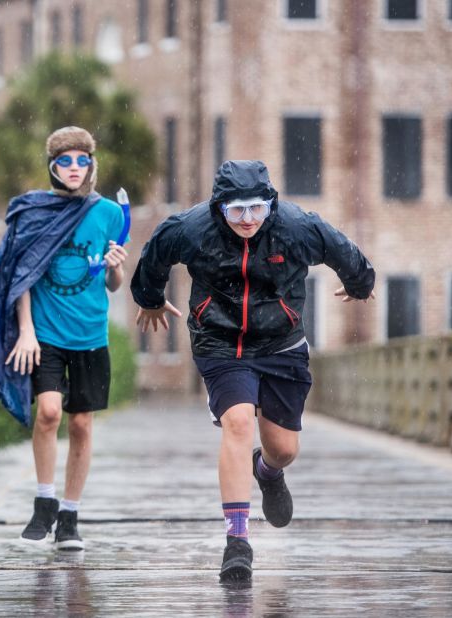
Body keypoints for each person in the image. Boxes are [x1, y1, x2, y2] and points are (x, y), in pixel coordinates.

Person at [129, 160, 375, 581]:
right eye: (236, 211)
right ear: (219, 208)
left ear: (270, 204)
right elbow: (155, 255)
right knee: (239, 423)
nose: (247, 221)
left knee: (284, 449)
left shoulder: (296, 227)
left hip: (281, 344)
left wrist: (360, 283)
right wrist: (149, 297)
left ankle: (268, 470)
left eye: (256, 210)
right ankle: (237, 543)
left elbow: (343, 251)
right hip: (219, 341)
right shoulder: (191, 229)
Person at [0, 126, 128, 551]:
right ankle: (44, 501)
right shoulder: (34, 211)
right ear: (51, 166)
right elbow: (20, 277)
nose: (73, 168)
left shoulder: (109, 215)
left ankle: (69, 514)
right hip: (44, 333)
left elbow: (114, 284)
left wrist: (116, 266)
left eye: (81, 160)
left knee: (82, 424)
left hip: (90, 333)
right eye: (64, 161)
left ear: (91, 165)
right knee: (49, 412)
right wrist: (26, 330)